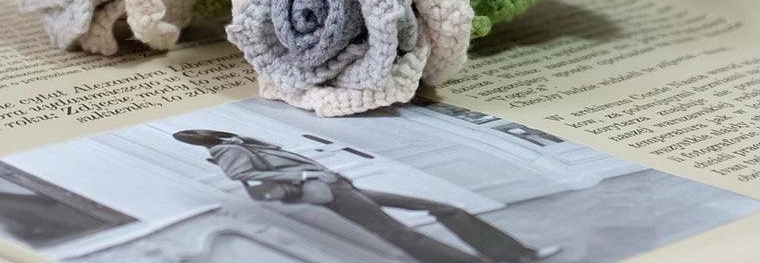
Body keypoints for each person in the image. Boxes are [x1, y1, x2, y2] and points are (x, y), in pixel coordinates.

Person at [173, 129, 558, 263]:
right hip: (325, 192)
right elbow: (249, 179)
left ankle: (515, 254)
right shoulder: (227, 152)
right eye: (214, 133)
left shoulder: (247, 142)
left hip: (341, 186)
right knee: (398, 234)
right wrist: (306, 173)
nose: (222, 136)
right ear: (212, 138)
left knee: (442, 208)